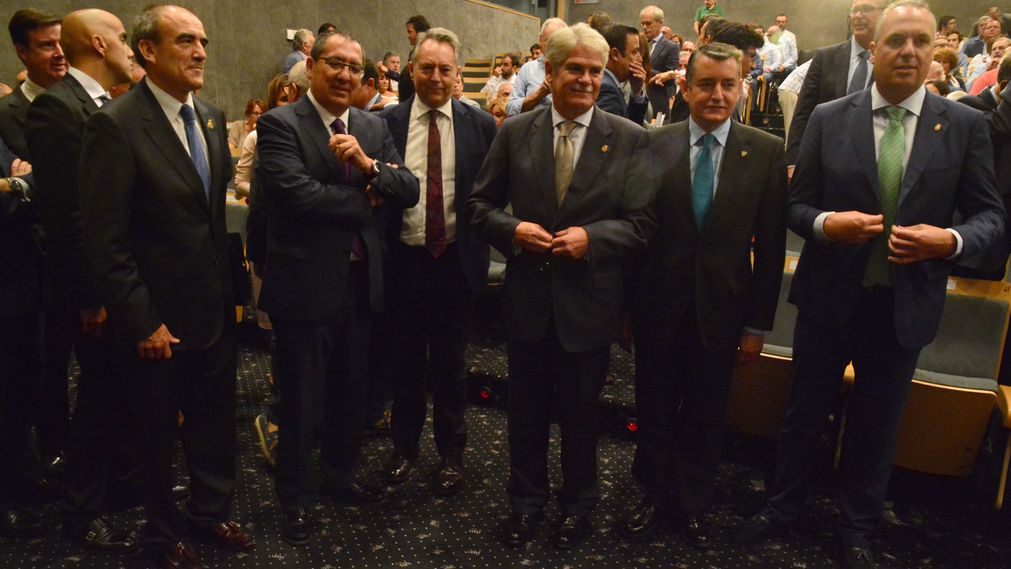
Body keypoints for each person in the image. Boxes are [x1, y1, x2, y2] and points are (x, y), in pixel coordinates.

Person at [734, 4, 1005, 569]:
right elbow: (796, 205)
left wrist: (949, 241)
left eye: (921, 42)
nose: (909, 51)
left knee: (879, 425)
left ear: (935, 52)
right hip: (830, 297)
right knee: (803, 413)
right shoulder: (831, 117)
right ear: (873, 49)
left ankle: (857, 527)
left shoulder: (963, 126)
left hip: (904, 306)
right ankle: (782, 506)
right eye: (896, 41)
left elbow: (991, 219)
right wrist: (825, 225)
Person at [467, 22, 655, 551]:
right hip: (527, 302)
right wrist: (513, 230)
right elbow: (478, 208)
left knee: (580, 419)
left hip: (588, 307)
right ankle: (525, 505)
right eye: (575, 69)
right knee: (524, 416)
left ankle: (578, 506)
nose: (587, 80)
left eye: (596, 71)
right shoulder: (514, 131)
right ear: (549, 72)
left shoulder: (628, 138)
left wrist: (591, 238)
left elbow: (642, 224)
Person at [79, 6, 255, 567]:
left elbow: (209, 226)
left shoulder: (209, 116)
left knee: (214, 424)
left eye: (203, 40)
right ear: (148, 51)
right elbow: (106, 241)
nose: (201, 51)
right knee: (155, 435)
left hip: (211, 313)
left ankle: (210, 513)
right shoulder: (117, 124)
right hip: (156, 320)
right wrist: (141, 319)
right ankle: (162, 534)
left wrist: (232, 300)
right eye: (186, 41)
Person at [254, 30, 419, 546]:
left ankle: (339, 476)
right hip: (304, 285)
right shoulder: (280, 123)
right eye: (336, 64)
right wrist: (366, 199)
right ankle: (296, 499)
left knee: (352, 390)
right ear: (312, 66)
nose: (346, 74)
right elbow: (295, 194)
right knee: (303, 400)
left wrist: (370, 167)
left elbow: (408, 188)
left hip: (361, 281)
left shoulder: (372, 125)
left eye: (355, 67)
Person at [621, 41, 787, 551]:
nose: (717, 94)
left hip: (723, 312)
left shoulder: (764, 151)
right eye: (706, 84)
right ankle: (651, 492)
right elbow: (635, 235)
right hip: (656, 308)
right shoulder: (655, 143)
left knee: (706, 413)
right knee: (652, 405)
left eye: (728, 84)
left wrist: (757, 326)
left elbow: (773, 248)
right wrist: (626, 312)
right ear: (686, 86)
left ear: (741, 88)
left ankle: (691, 501)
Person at [24, 8, 139, 554]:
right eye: (120, 37)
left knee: (117, 391)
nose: (128, 46)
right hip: (90, 288)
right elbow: (67, 215)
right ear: (98, 41)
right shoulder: (56, 105)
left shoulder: (102, 101)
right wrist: (93, 299)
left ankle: (114, 490)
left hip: (118, 279)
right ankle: (80, 511)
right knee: (95, 399)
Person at [377, 26, 496, 497]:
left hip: (456, 263)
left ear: (457, 74)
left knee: (451, 366)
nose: (436, 77)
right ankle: (403, 448)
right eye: (427, 67)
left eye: (445, 69)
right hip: (403, 262)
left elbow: (488, 196)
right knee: (404, 363)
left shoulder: (480, 124)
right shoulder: (386, 123)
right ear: (411, 70)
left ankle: (452, 454)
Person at [786, 0, 889, 176]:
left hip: (873, 165)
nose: (858, 16)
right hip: (824, 160)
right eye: (854, 11)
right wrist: (793, 162)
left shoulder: (890, 60)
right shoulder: (825, 57)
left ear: (885, 14)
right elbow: (803, 113)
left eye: (866, 10)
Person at [507, 18, 567, 116]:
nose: (554, 45)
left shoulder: (574, 71)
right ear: (540, 41)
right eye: (550, 40)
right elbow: (511, 109)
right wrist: (539, 94)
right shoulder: (527, 69)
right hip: (531, 128)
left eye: (559, 41)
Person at [598, 24, 648, 125]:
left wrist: (636, 91)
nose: (640, 59)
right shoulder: (607, 89)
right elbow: (615, 137)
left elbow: (629, 128)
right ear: (615, 54)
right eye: (635, 52)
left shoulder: (609, 83)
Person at [641, 6, 680, 121]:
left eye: (648, 24)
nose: (644, 27)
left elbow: (670, 79)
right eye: (642, 24)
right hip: (636, 100)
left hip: (657, 104)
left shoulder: (671, 47)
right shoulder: (638, 43)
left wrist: (644, 69)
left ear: (660, 23)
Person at [401, 15, 431, 103]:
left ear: (420, 33)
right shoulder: (412, 53)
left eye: (410, 32)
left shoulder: (425, 54)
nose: (408, 36)